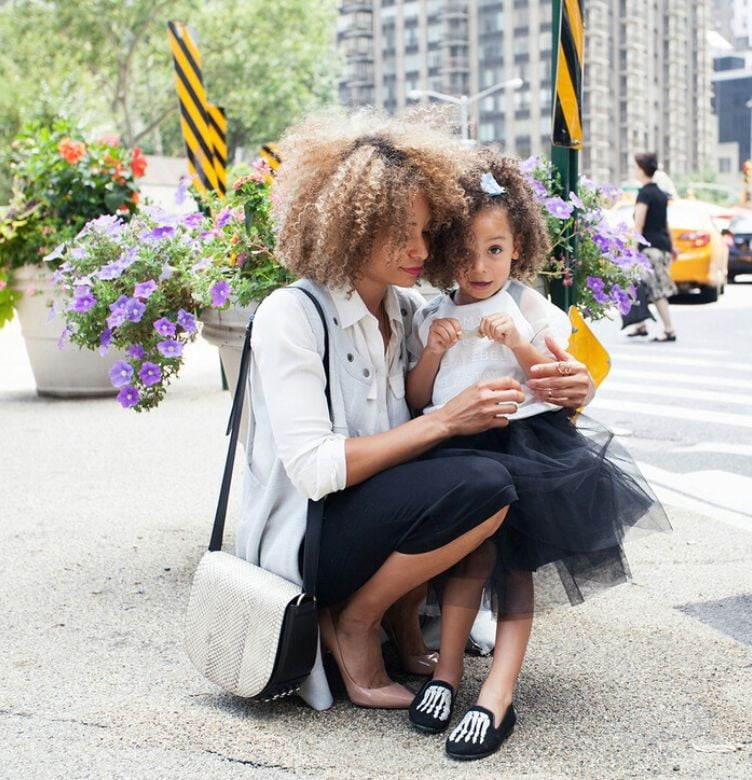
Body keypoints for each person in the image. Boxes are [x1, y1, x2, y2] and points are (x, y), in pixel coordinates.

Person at [237, 111, 598, 713]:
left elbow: (505, 364)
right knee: (482, 482)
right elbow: (315, 470)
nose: (420, 250)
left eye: (429, 232)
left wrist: (575, 386)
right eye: (400, 232)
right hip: (310, 536)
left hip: (377, 518)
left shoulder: (409, 312)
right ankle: (355, 621)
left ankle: (405, 628)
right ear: (350, 228)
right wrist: (445, 420)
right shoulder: (291, 314)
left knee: (487, 477)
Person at [404, 148, 668, 760]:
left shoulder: (529, 307)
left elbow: (557, 379)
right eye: (465, 253)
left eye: (494, 250)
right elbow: (420, 396)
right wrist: (436, 353)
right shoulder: (434, 313)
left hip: (525, 447)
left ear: (517, 247)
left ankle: (498, 689)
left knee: (512, 566)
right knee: (464, 562)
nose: (479, 265)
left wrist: (519, 343)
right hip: (456, 447)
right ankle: (446, 674)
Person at [621, 152, 677, 342]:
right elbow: (665, 223)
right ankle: (640, 325)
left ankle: (669, 329)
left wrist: (633, 250)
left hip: (650, 249)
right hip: (663, 246)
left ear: (642, 169)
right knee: (639, 285)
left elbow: (639, 225)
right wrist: (673, 246)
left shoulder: (644, 194)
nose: (634, 171)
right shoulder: (661, 194)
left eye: (635, 167)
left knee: (656, 289)